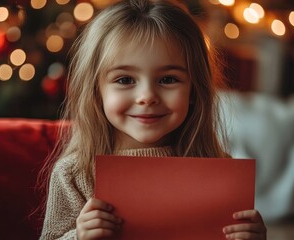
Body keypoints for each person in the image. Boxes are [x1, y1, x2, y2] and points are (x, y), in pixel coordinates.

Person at [39, 0, 267, 239]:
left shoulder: (218, 168)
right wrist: (78, 237)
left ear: (194, 90)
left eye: (168, 79)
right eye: (125, 80)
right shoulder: (75, 173)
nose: (147, 97)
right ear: (96, 91)